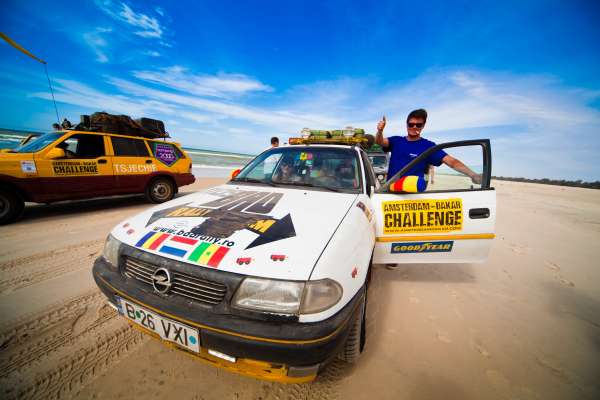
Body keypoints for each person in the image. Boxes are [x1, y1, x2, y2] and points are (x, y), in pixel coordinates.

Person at [375, 109, 481, 184]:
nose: (414, 127)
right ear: (407, 124)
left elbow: (451, 162)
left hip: (414, 194)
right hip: (391, 191)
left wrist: (473, 175)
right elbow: (380, 142)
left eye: (418, 125)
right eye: (411, 124)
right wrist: (380, 131)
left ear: (423, 126)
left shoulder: (428, 146)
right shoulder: (396, 140)